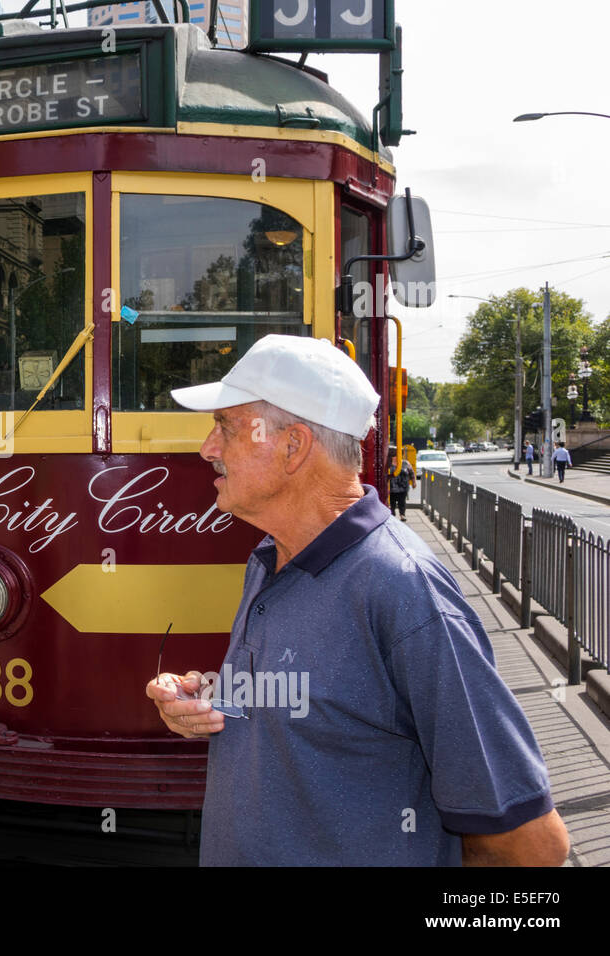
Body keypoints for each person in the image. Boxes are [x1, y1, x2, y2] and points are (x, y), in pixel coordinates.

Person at [147, 334, 568, 867]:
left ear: (293, 446)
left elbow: (531, 845)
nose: (208, 448)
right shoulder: (270, 557)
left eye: (224, 428)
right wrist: (205, 704)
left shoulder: (404, 590)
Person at [386, 448, 415, 521]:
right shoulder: (388, 464)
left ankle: (402, 514)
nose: (396, 456)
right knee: (392, 502)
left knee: (402, 502)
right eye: (394, 455)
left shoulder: (405, 463)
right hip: (392, 487)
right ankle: (392, 515)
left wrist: (414, 482)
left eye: (397, 455)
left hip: (403, 487)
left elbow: (411, 473)